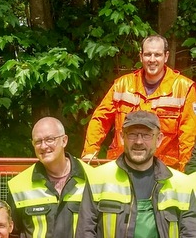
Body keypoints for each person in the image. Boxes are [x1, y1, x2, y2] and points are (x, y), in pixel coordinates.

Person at [74, 110, 196, 238]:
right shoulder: (99, 178)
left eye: (146, 135)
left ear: (159, 139)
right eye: (132, 134)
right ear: (122, 138)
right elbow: (84, 236)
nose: (139, 141)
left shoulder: (180, 183)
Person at [7, 117, 92, 238]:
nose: (44, 146)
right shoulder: (18, 185)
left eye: (49, 139)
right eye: (38, 141)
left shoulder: (93, 179)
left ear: (64, 140)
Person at [81, 35, 196, 171]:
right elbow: (100, 119)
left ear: (166, 56)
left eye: (157, 55)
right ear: (141, 56)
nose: (152, 60)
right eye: (148, 54)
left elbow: (188, 136)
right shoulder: (122, 84)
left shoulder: (184, 88)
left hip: (164, 170)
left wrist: (186, 174)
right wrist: (90, 152)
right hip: (122, 167)